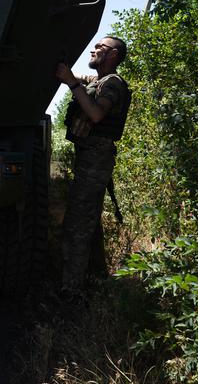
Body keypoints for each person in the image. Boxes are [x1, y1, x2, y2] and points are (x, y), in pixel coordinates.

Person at [55, 35, 132, 298]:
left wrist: (72, 83)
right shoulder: (97, 80)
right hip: (90, 158)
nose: (94, 49)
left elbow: (96, 114)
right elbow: (73, 77)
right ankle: (95, 277)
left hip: (95, 160)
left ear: (113, 55)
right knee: (88, 221)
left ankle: (71, 292)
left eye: (100, 47)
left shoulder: (113, 83)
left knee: (77, 225)